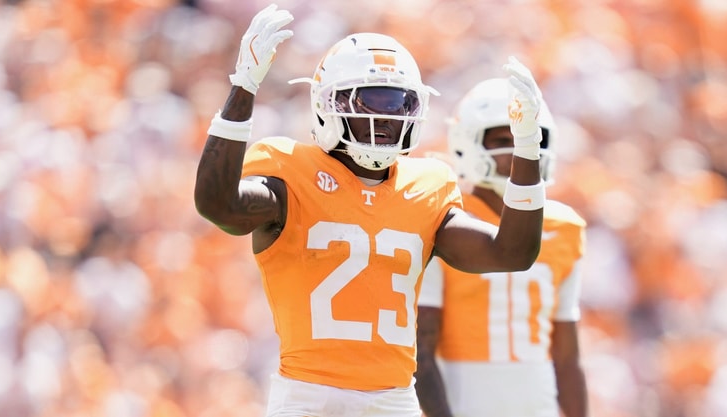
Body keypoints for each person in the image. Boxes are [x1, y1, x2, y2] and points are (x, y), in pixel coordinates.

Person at [194, 4, 548, 416]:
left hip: (393, 400)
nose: (384, 117)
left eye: (399, 104)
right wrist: (243, 88)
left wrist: (527, 148)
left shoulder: (426, 185)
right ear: (328, 103)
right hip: (308, 397)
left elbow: (511, 253)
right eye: (370, 101)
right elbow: (218, 205)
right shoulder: (291, 172)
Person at [414, 77, 589, 417]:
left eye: (527, 138)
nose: (516, 151)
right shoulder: (445, 218)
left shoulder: (565, 226)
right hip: (462, 401)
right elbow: (422, 352)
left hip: (538, 402)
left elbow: (567, 356)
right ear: (468, 142)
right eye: (501, 140)